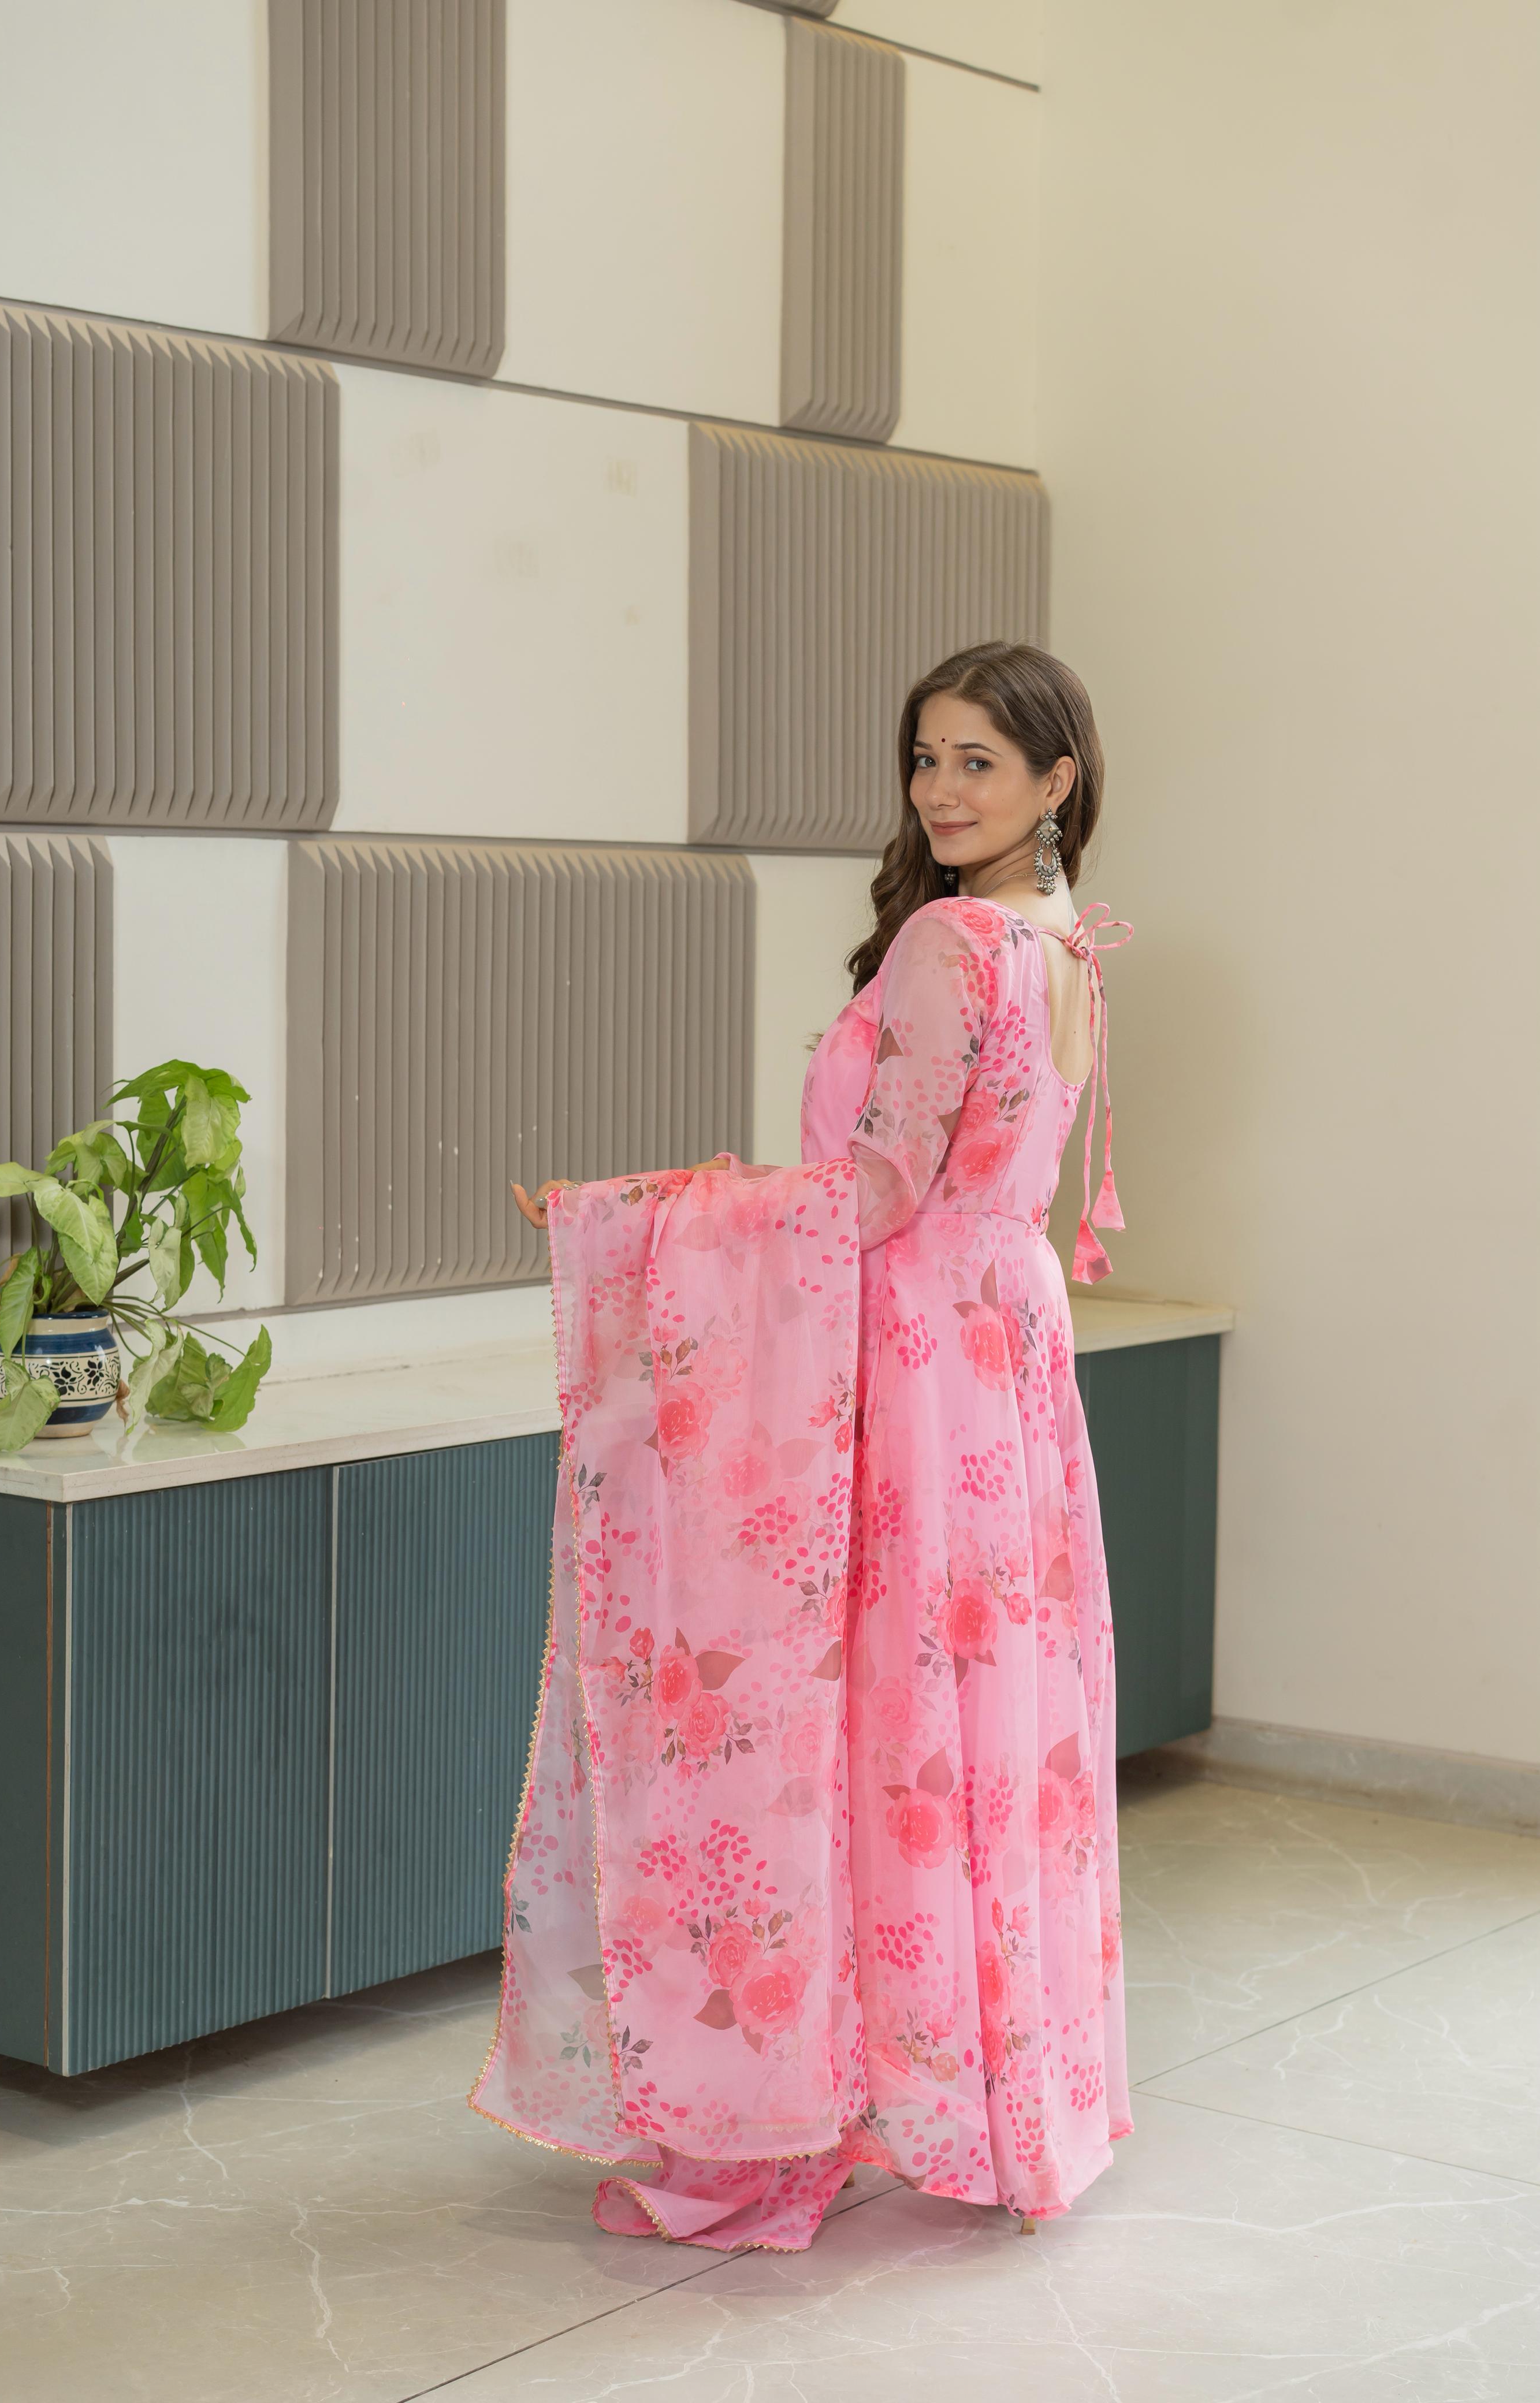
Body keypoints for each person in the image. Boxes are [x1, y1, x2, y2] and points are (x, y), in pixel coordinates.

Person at [473, 641, 1131, 2252]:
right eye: (925, 758)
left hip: (907, 1363)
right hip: (1004, 1358)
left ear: (1056, 780)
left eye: (979, 761)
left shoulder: (951, 941)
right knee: (971, 1730)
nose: (940, 790)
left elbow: (882, 1193)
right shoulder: (1067, 947)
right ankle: (983, 2104)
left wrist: (646, 1216)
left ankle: (797, 2106)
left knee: (857, 1725)